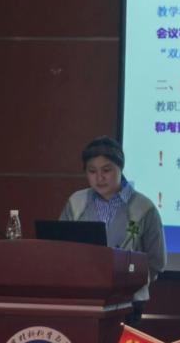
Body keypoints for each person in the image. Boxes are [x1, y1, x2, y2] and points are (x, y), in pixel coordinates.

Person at [59, 136, 166, 324]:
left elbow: (156, 261)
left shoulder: (144, 207)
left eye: (106, 170)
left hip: (129, 302)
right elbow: (59, 248)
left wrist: (131, 282)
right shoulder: (76, 202)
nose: (99, 178)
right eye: (92, 171)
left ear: (120, 168)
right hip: (83, 298)